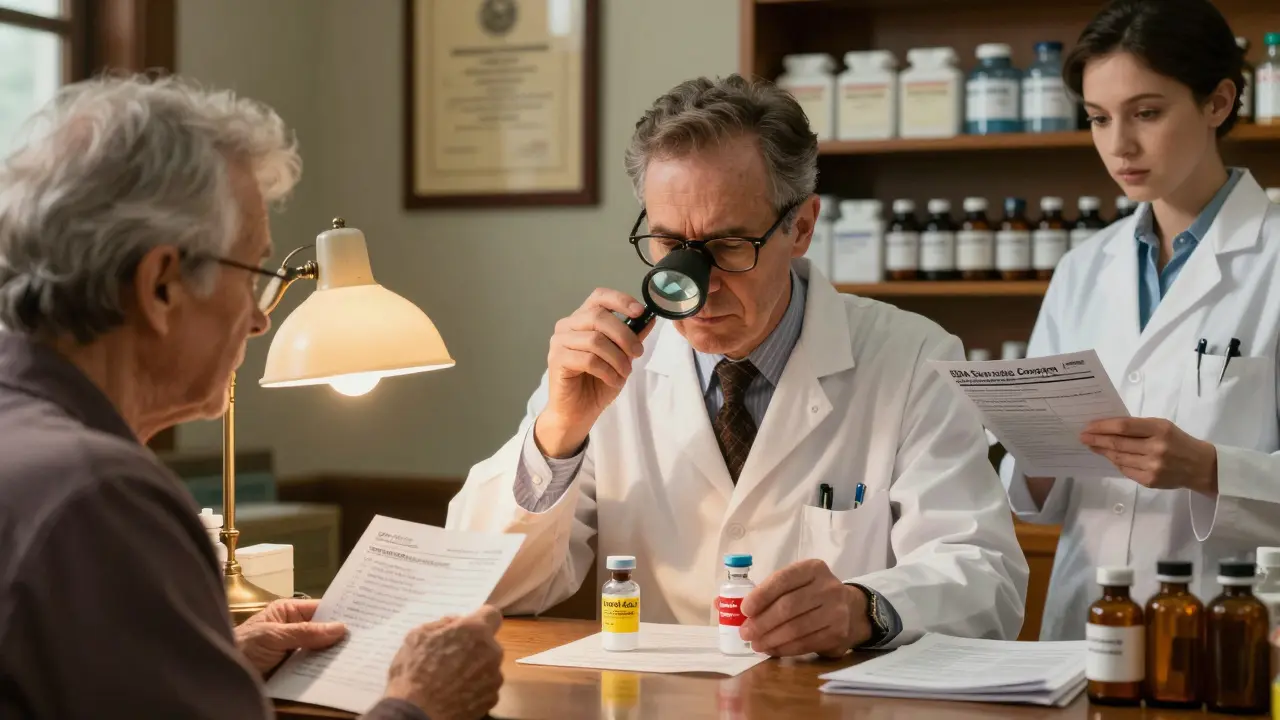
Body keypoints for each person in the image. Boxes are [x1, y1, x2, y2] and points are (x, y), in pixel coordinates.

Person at [447, 74, 1029, 655]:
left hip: (829, 692)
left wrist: (864, 608)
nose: (696, 287)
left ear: (801, 227)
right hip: (656, 694)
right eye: (670, 245)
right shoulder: (608, 366)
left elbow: (983, 577)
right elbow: (484, 587)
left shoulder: (914, 358)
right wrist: (558, 433)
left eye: (728, 246)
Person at [0, 75, 503, 719]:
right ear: (160, 285)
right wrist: (420, 703)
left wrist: (214, 663)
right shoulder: (99, 494)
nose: (261, 319)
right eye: (252, 274)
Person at [1001, 0, 1280, 641]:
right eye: (1099, 118)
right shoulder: (1081, 268)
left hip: (1228, 625)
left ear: (1217, 103)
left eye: (1146, 113)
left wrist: (1208, 469)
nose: (1119, 145)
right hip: (1086, 618)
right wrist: (1036, 455)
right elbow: (1037, 497)